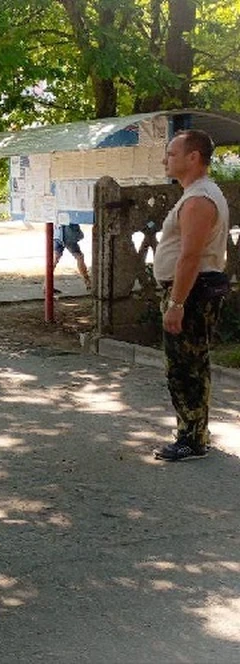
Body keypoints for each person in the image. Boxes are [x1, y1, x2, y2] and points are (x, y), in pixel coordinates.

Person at [152, 129, 230, 462]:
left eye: (171, 153)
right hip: (194, 290)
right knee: (192, 363)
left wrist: (176, 304)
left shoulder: (199, 199)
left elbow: (190, 256)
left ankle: (191, 439)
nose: (166, 159)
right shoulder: (198, 194)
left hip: (192, 292)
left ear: (193, 157)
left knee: (184, 367)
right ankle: (195, 433)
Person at [53, 221, 92, 290]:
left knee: (54, 260)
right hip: (68, 236)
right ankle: (87, 282)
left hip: (57, 234)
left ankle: (46, 285)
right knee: (79, 257)